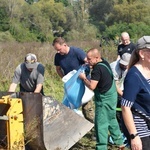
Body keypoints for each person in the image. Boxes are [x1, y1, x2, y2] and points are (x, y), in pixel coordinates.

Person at [79, 48, 124, 150]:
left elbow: (92, 86)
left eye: (89, 59)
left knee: (101, 124)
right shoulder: (104, 62)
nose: (87, 60)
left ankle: (101, 147)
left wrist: (84, 78)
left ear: (97, 58)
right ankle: (119, 143)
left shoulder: (97, 70)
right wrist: (89, 65)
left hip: (104, 99)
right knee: (112, 119)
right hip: (112, 96)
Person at [52, 37, 94, 123]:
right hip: (71, 86)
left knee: (87, 109)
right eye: (56, 50)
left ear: (65, 45)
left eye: (59, 49)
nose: (58, 52)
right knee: (69, 108)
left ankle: (93, 127)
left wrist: (83, 72)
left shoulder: (76, 52)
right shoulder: (58, 56)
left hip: (83, 83)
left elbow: (88, 63)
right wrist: (64, 78)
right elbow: (58, 69)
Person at [121, 36, 150, 150]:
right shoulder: (134, 76)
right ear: (142, 54)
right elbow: (125, 107)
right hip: (140, 126)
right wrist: (134, 136)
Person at [110, 53, 131, 130]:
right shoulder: (114, 68)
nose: (124, 66)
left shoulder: (130, 66)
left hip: (120, 85)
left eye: (126, 65)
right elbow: (114, 86)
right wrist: (123, 95)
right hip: (109, 87)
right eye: (122, 64)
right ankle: (118, 126)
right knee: (117, 106)